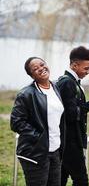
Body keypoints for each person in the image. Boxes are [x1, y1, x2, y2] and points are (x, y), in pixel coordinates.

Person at [57, 46, 89, 186]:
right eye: (86, 68)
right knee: (81, 180)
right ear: (74, 65)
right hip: (70, 142)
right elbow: (72, 114)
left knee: (60, 179)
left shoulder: (70, 82)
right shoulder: (67, 83)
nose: (88, 72)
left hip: (68, 141)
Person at [11, 57, 65, 186]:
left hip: (55, 150)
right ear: (31, 75)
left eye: (42, 64)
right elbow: (16, 122)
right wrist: (39, 137)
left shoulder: (55, 87)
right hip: (35, 152)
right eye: (35, 69)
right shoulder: (26, 94)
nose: (41, 68)